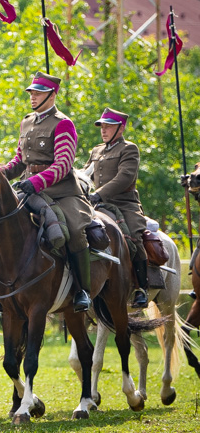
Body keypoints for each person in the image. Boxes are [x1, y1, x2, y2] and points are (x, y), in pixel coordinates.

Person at [0, 71, 93, 312]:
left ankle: (83, 290)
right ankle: (3, 289)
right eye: (31, 92)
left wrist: (37, 182)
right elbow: (19, 161)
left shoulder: (63, 123)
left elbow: (63, 163)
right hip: (29, 189)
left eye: (38, 92)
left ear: (52, 94)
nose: (32, 96)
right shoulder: (27, 122)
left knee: (73, 230)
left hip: (62, 192)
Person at [82, 107, 149, 308]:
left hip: (124, 204)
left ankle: (140, 288)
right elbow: (86, 173)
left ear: (121, 128)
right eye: (102, 126)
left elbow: (124, 178)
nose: (103, 130)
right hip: (96, 203)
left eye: (109, 126)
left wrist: (98, 193)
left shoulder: (129, 149)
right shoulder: (96, 150)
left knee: (134, 238)